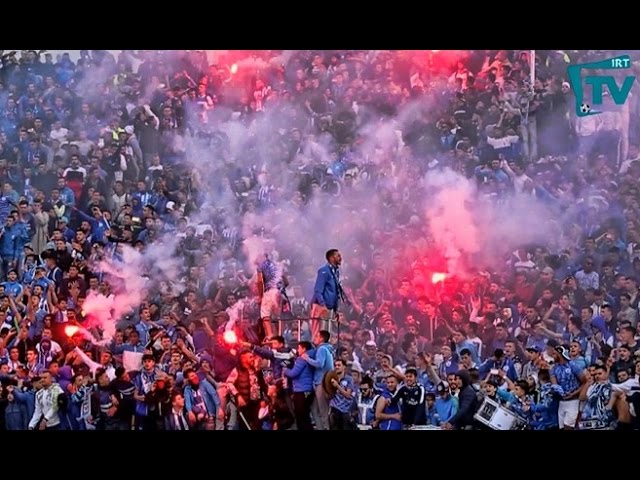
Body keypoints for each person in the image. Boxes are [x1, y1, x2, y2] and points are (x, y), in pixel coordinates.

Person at [310, 249, 345, 338]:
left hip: (329, 308)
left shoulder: (335, 272)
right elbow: (318, 290)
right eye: (338, 256)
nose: (340, 258)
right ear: (331, 258)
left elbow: (335, 291)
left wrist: (336, 309)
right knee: (319, 335)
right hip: (321, 307)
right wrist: (323, 305)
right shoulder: (324, 271)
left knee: (326, 335)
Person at [283, 340, 315, 431]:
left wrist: (285, 370)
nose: (297, 350)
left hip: (301, 390)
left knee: (301, 415)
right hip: (308, 389)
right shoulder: (311, 357)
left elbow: (294, 373)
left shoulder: (302, 359)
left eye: (299, 348)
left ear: (304, 349)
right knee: (305, 414)